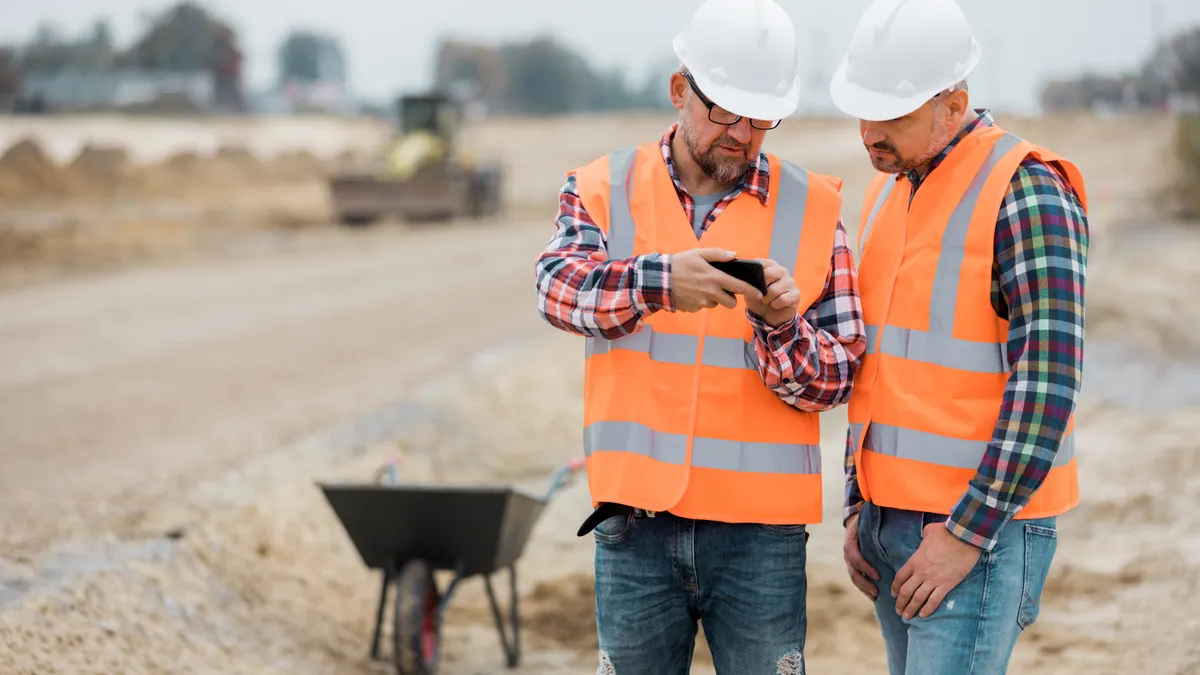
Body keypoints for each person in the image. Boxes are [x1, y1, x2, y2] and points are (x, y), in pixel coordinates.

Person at [532, 0, 866, 672]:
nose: (741, 134)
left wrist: (780, 329)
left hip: (761, 537)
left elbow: (840, 374)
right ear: (681, 90)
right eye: (724, 111)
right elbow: (556, 289)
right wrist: (659, 283)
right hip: (634, 525)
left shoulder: (814, 209)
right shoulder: (602, 188)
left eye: (759, 118)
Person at [827, 1, 1090, 673]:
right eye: (862, 111)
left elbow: (1048, 380)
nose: (869, 134)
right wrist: (860, 502)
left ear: (954, 103)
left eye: (893, 116)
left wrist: (968, 532)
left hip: (977, 532)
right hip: (893, 525)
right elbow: (881, 365)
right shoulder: (889, 191)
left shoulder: (1025, 190)